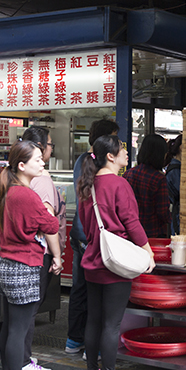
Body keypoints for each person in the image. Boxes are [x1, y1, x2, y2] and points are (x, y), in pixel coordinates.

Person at [76, 134, 154, 370]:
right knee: (111, 324)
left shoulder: (87, 184)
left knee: (94, 321)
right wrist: (147, 251)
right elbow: (131, 222)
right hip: (115, 263)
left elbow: (85, 226)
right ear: (110, 156)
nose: (126, 153)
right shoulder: (119, 184)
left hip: (93, 261)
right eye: (122, 150)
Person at [0, 139, 63, 370]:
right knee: (18, 330)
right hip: (24, 265)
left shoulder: (10, 190)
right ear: (22, 165)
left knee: (10, 327)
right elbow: (52, 223)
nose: (42, 163)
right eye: (37, 159)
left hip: (9, 263)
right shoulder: (25, 194)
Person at [65, 118, 118, 356]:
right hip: (93, 234)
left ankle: (74, 340)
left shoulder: (81, 160)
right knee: (97, 291)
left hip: (79, 231)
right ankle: (92, 346)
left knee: (79, 288)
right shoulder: (97, 164)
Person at [19, 126, 63, 370]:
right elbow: (47, 222)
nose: (47, 153)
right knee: (29, 311)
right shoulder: (42, 180)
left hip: (19, 256)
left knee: (20, 312)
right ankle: (23, 362)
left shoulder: (12, 177)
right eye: (48, 146)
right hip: (37, 254)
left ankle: (18, 358)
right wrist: (56, 255)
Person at [123, 134, 171, 239]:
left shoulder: (128, 174)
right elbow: (162, 211)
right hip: (153, 233)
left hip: (131, 232)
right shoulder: (159, 178)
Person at [165, 135, 182, 235]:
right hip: (177, 215)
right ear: (182, 147)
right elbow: (181, 192)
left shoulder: (176, 168)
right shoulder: (175, 170)